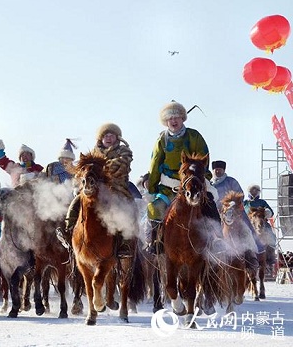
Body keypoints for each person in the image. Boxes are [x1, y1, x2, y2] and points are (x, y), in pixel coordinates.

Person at [145, 101, 220, 254]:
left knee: (209, 204)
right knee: (155, 207)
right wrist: (152, 189)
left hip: (194, 183)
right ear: (166, 121)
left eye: (176, 117)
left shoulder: (194, 136)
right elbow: (154, 164)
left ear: (182, 119)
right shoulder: (162, 140)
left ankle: (216, 239)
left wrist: (201, 178)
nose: (173, 121)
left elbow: (203, 158)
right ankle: (156, 241)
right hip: (168, 187)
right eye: (170, 118)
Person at [61, 123, 135, 257]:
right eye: (105, 135)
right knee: (76, 202)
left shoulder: (124, 151)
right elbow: (83, 171)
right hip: (95, 188)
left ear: (117, 137)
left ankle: (124, 242)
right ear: (100, 138)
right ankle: (68, 230)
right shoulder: (93, 153)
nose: (108, 138)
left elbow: (121, 167)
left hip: (116, 188)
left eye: (111, 135)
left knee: (124, 209)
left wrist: (98, 168)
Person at [211, 161, 260, 269]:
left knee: (246, 230)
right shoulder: (210, 184)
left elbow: (240, 195)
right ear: (213, 170)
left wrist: (232, 203)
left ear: (224, 170)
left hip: (233, 213)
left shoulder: (231, 181)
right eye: (216, 169)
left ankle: (250, 255)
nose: (218, 171)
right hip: (215, 213)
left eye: (220, 169)